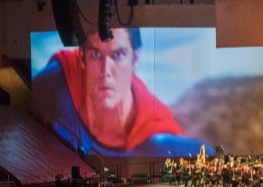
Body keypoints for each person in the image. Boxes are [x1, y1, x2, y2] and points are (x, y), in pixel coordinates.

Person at [32, 27, 208, 156]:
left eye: (118, 55)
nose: (105, 70)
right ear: (82, 58)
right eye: (95, 54)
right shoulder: (53, 83)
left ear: (135, 59)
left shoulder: (159, 135)